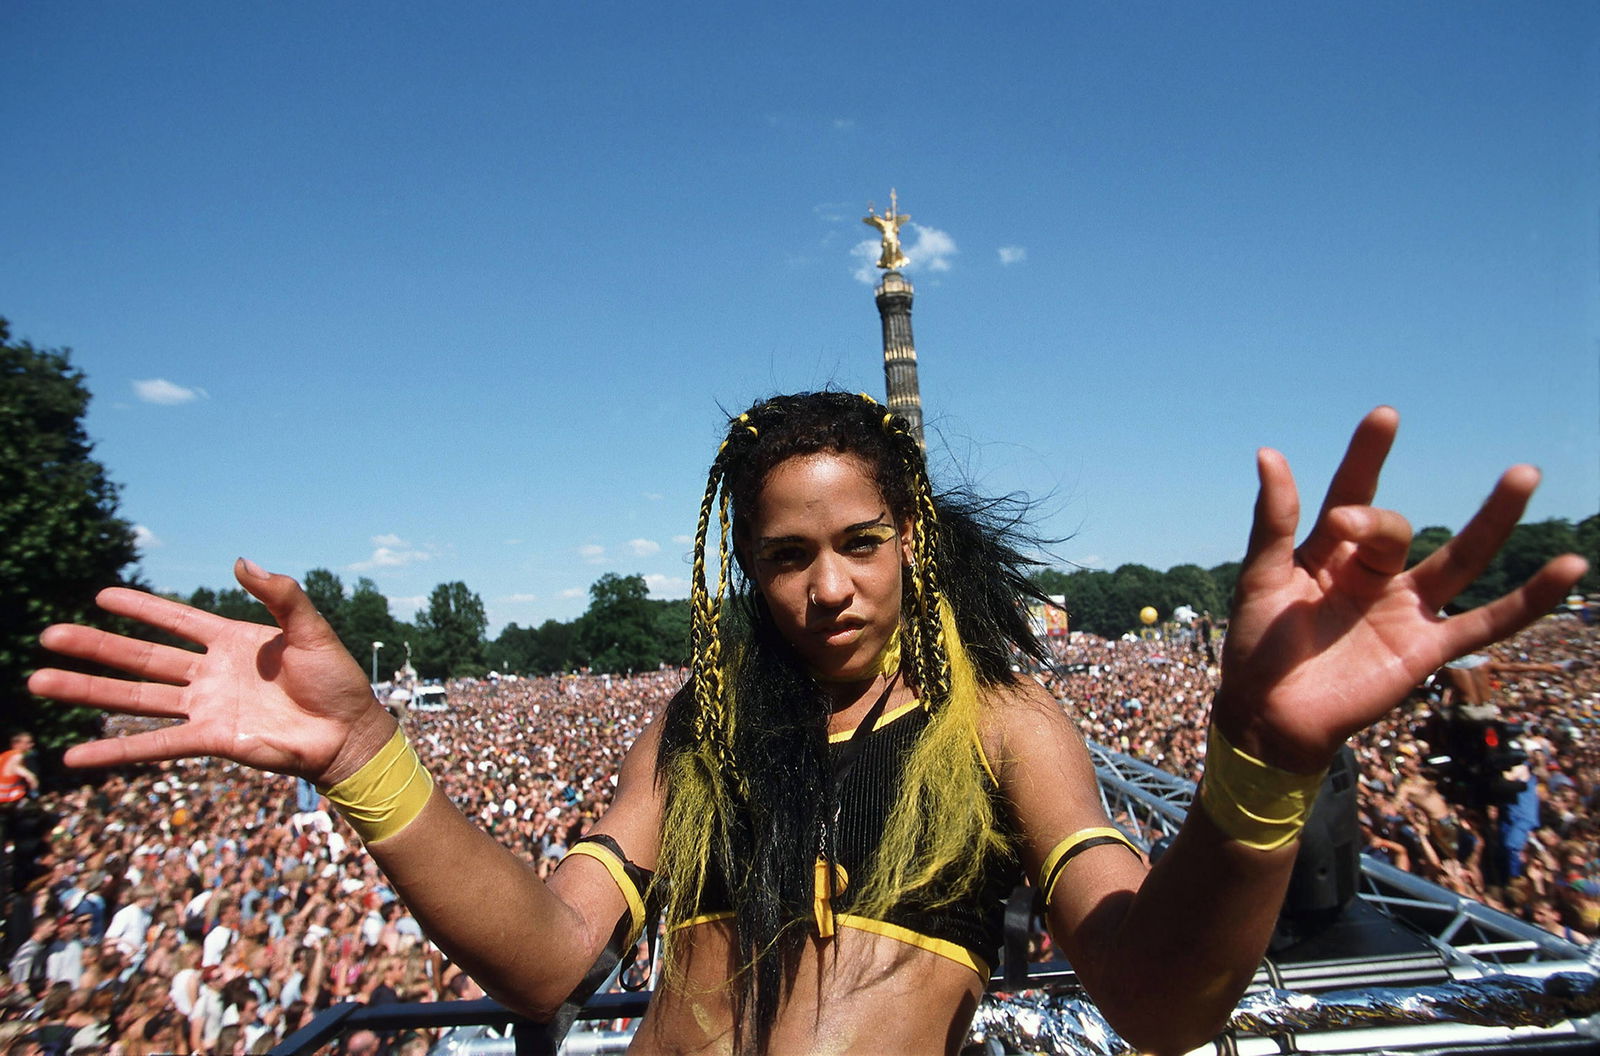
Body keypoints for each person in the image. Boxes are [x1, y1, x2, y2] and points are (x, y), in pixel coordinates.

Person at [27, 394, 1586, 1055]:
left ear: (911, 537)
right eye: (785, 554)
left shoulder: (1004, 722)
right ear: (743, 569)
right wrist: (364, 756)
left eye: (857, 543)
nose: (826, 587)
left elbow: (1159, 998)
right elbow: (553, 956)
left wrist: (1265, 764)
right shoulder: (693, 727)